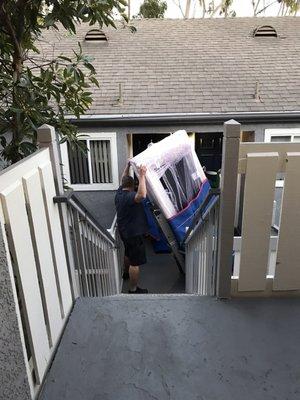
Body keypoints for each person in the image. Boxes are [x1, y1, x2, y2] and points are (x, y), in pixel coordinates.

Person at [115, 162, 149, 294]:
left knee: (128, 252)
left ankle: (125, 273)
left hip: (124, 231)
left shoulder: (119, 194)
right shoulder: (130, 197)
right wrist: (142, 176)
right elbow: (142, 195)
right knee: (135, 262)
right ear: (132, 186)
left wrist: (127, 166)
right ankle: (133, 289)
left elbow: (123, 178)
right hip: (134, 233)